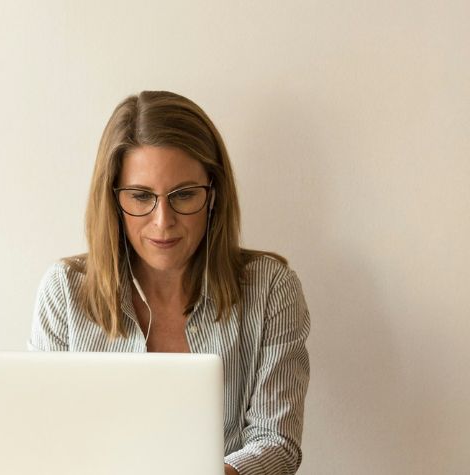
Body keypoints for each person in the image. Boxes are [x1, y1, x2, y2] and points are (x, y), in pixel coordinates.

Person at [28, 90, 310, 475]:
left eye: (184, 195)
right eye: (142, 196)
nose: (163, 221)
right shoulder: (64, 292)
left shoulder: (270, 289)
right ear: (112, 199)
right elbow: (42, 439)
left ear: (213, 194)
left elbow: (277, 444)